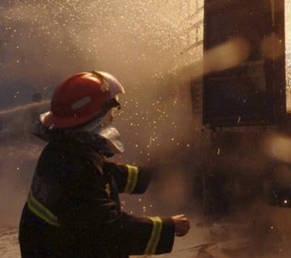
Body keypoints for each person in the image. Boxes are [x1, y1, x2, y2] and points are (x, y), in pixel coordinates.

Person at [19, 71, 190, 257]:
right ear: (92, 119)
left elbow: (105, 174)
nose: (110, 120)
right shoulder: (75, 166)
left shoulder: (64, 151)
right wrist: (168, 226)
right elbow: (110, 232)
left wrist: (151, 176)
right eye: (108, 114)